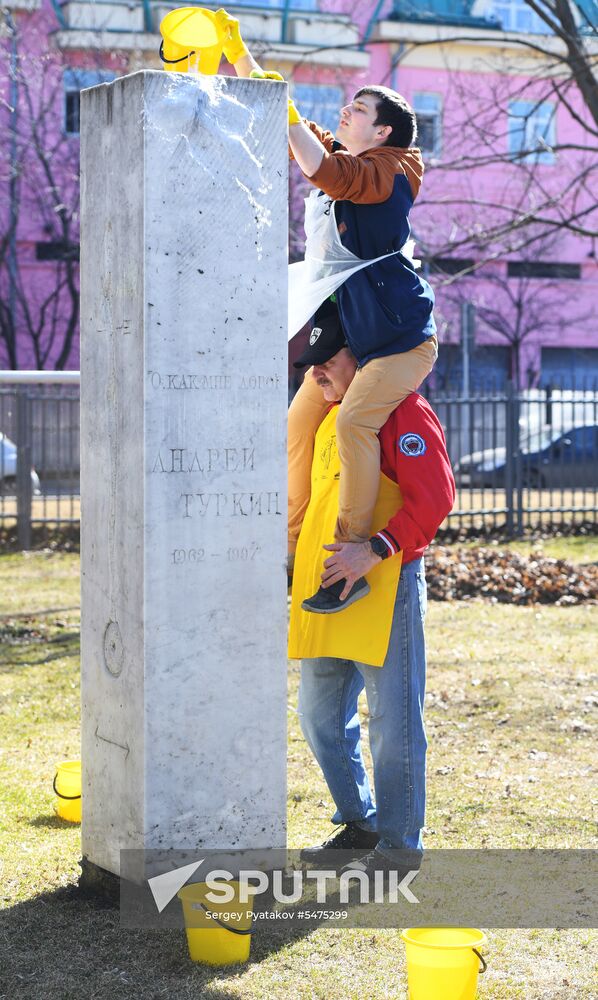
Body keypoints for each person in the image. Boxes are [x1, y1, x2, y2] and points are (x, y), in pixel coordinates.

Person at [214, 8, 438, 613]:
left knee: (352, 425)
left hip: (400, 341)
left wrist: (294, 120)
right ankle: (287, 554)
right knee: (294, 427)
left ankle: (348, 562)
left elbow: (324, 167)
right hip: (356, 336)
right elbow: (290, 125)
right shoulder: (351, 160)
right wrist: (241, 57)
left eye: (360, 109)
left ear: (385, 131)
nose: (347, 112)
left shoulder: (390, 173)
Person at [285, 306, 455, 876]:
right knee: (318, 715)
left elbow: (435, 499)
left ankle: (400, 847)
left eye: (325, 360)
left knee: (394, 722)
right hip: (330, 588)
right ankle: (360, 822)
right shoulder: (332, 415)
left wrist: (376, 549)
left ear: (362, 357)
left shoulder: (403, 410)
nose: (315, 374)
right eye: (309, 364)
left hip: (388, 583)